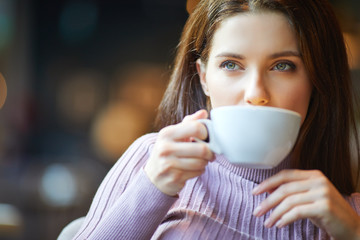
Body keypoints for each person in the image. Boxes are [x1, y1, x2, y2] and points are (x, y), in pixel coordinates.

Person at [72, 0, 360, 239]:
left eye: (282, 66)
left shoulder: (344, 213)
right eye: (231, 65)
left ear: (315, 80)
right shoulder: (153, 160)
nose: (255, 93)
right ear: (204, 78)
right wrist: (153, 187)